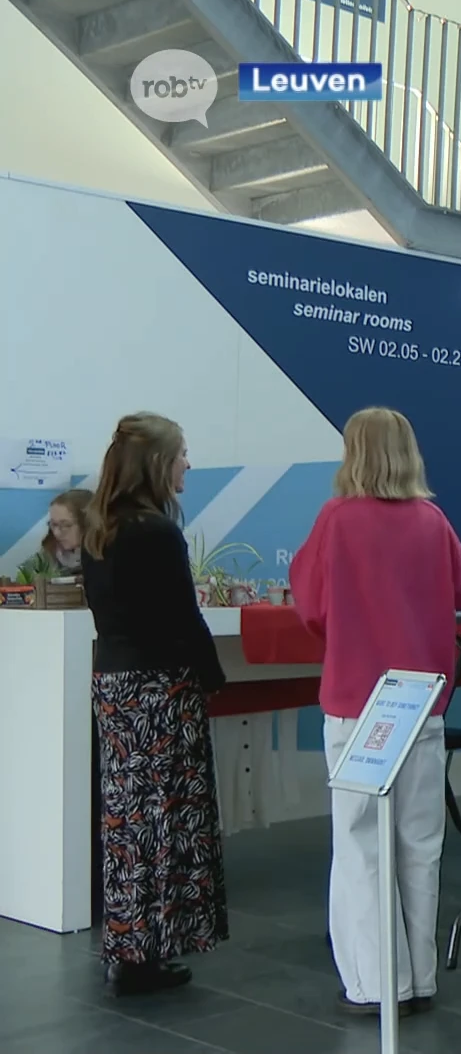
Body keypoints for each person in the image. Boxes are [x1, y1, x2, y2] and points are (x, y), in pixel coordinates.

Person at [290, 407, 461, 1016]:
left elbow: (310, 607)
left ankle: (379, 984)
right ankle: (421, 978)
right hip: (421, 705)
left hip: (356, 706)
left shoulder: (335, 520)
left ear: (353, 453)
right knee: (418, 841)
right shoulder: (432, 520)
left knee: (359, 844)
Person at [81, 413, 227, 996]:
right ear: (159, 463)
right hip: (161, 691)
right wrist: (213, 677)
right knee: (166, 820)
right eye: (183, 453)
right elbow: (180, 617)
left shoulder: (101, 527)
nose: (189, 463)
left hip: (117, 686)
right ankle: (151, 950)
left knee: (128, 822)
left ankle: (128, 946)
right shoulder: (156, 531)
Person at [40, 488, 93, 575]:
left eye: (65, 525)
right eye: (53, 524)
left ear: (86, 524)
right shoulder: (47, 552)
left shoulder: (105, 559)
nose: (56, 533)